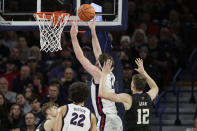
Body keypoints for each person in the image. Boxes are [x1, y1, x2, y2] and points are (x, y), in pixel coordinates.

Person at [70, 20, 123, 130]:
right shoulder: (110, 74)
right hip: (116, 118)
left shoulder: (99, 74)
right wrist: (93, 30)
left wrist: (74, 37)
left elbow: (80, 57)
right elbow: (98, 51)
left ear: (99, 64)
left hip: (106, 118)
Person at [99, 58, 159, 131]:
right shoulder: (148, 96)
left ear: (133, 86)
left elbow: (102, 94)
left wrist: (104, 74)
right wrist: (143, 72)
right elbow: (155, 87)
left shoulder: (128, 98)